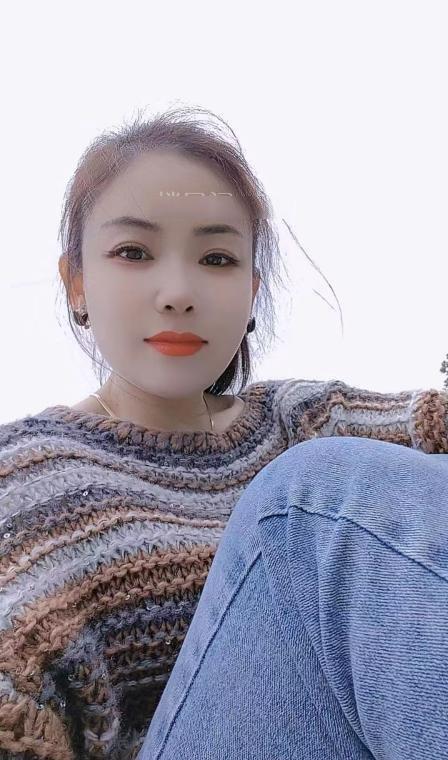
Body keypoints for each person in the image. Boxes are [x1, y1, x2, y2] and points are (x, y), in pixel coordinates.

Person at [0, 105, 447, 760]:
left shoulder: (302, 418)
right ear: (77, 284)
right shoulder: (25, 474)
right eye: (133, 252)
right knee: (302, 502)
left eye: (216, 258)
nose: (178, 292)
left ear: (251, 292)